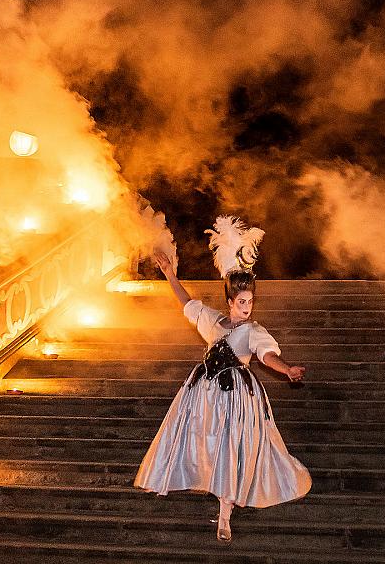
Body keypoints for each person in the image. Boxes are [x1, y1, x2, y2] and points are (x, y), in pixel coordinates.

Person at [135, 216, 312, 542]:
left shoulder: (254, 332)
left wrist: (285, 369)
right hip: (202, 393)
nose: (247, 307)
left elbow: (265, 355)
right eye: (241, 302)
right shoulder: (211, 320)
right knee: (203, 443)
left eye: (250, 302)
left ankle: (225, 515)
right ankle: (177, 473)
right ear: (230, 302)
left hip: (236, 397)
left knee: (230, 448)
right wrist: (170, 275)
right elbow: (187, 303)